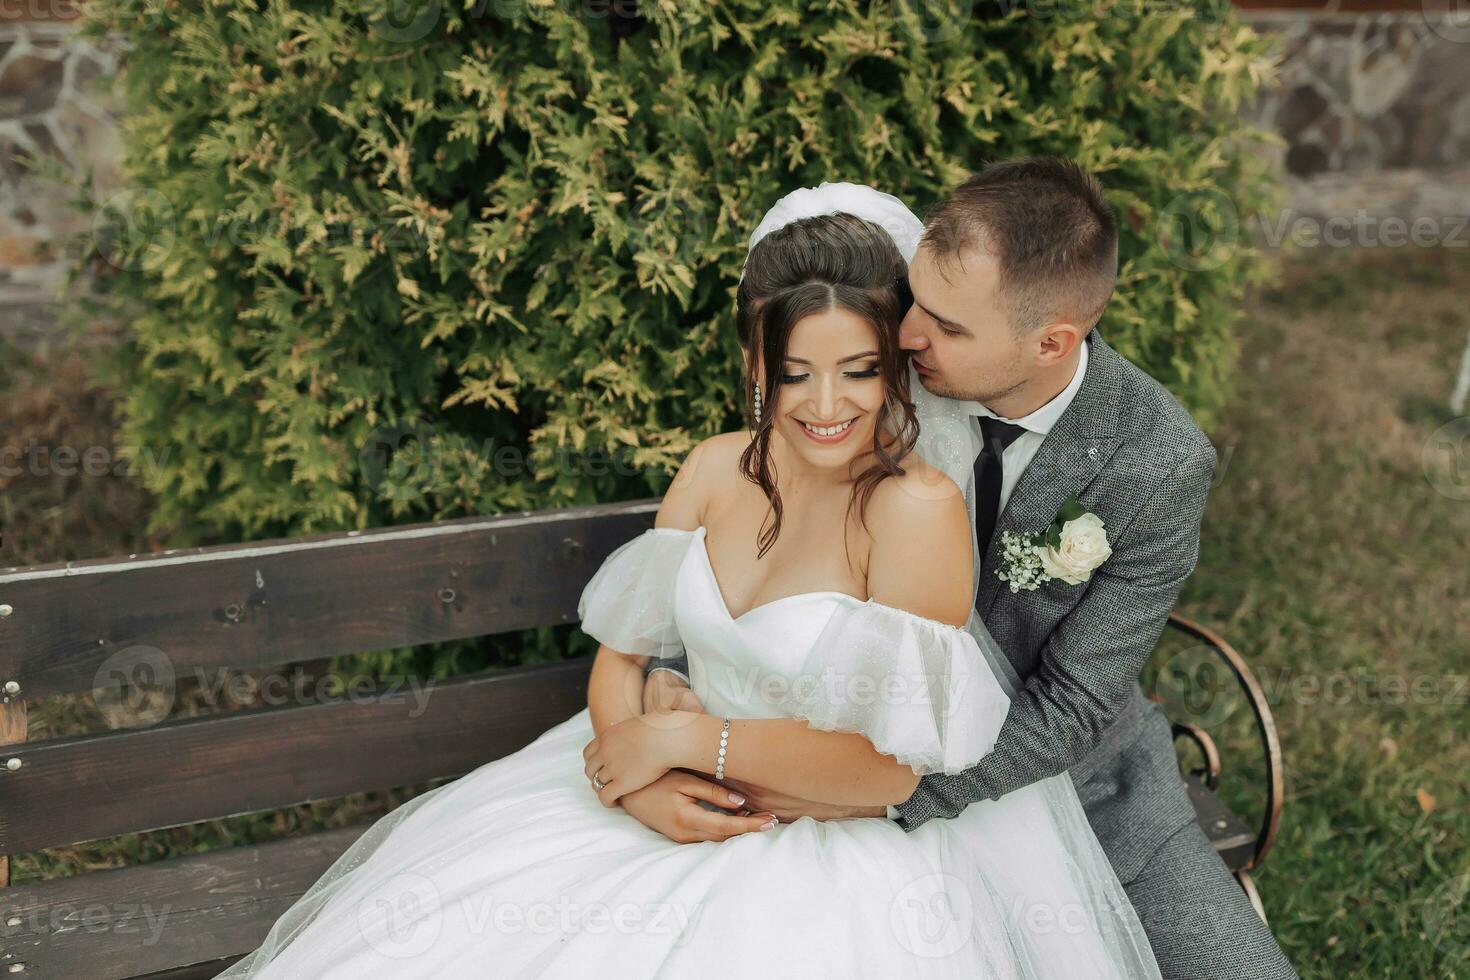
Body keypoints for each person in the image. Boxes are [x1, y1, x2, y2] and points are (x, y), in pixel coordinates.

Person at [214, 181, 1161, 978]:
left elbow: (888, 767)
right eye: (794, 374)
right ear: (756, 361)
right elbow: (622, 659)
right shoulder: (713, 470)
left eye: (859, 372)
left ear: (898, 366)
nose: (825, 407)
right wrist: (634, 781)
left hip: (829, 841)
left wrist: (691, 739)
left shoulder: (911, 511)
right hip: (652, 782)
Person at [645, 158, 1298, 979]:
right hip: (821, 755)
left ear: (1051, 341)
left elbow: (1073, 703)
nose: (908, 334)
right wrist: (675, 698)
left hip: (1074, 783)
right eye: (916, 299)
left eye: (948, 326)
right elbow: (743, 532)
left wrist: (880, 796)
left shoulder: (1155, 464)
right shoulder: (872, 384)